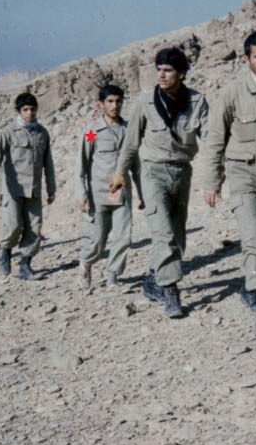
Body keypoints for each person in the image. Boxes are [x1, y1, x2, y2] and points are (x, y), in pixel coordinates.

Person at [109, 47, 209, 319]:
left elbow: (211, 137)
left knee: (177, 235)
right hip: (152, 173)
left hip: (182, 172)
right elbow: (131, 143)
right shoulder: (145, 102)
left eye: (168, 70)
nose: (161, 75)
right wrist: (120, 172)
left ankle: (154, 281)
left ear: (182, 74)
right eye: (159, 70)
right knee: (163, 233)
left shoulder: (197, 101)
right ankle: (171, 291)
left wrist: (219, 169)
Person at [199, 31, 256, 315]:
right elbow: (215, 138)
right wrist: (212, 181)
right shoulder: (232, 92)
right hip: (243, 172)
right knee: (254, 237)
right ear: (247, 59)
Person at [0, 92, 56, 280]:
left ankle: (25, 266)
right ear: (18, 111)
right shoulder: (9, 132)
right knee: (13, 225)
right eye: (25, 110)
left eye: (33, 109)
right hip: (13, 188)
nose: (30, 113)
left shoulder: (42, 133)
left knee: (34, 228)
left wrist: (51, 188)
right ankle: (5, 253)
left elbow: (48, 163)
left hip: (34, 189)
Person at [76, 85, 144, 290]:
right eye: (110, 101)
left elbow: (136, 166)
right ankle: (86, 263)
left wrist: (143, 194)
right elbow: (81, 164)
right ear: (101, 104)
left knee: (123, 237)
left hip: (121, 192)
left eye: (118, 101)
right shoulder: (92, 131)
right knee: (98, 239)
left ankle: (113, 275)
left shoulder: (128, 130)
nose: (115, 106)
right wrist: (81, 193)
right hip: (98, 193)